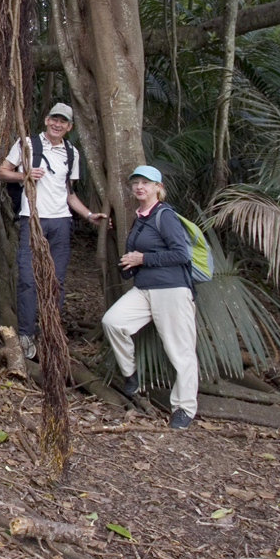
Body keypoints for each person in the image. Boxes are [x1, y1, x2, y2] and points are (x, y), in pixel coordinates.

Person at [0, 102, 107, 358]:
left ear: (69, 127)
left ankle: (50, 332)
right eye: (54, 119)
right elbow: (2, 172)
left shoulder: (71, 152)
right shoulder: (27, 143)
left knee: (55, 281)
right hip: (31, 219)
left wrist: (89, 215)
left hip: (61, 222)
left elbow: (68, 193)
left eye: (63, 122)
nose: (57, 124)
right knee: (26, 279)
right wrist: (24, 176)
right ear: (46, 120)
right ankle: (25, 334)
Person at [102, 165, 200, 430]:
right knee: (113, 322)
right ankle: (130, 373)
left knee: (181, 351)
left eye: (146, 182)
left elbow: (182, 254)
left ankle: (184, 408)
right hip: (144, 289)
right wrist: (130, 264)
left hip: (171, 290)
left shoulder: (165, 216)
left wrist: (143, 258)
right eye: (135, 183)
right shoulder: (140, 218)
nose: (139, 187)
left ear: (158, 187)